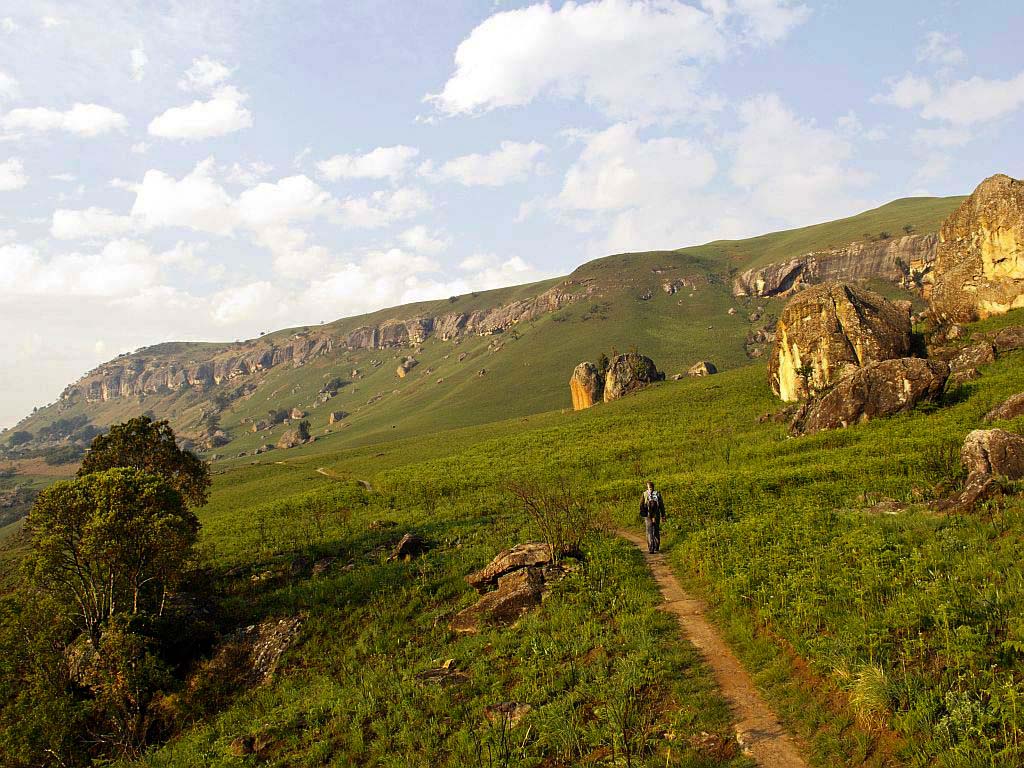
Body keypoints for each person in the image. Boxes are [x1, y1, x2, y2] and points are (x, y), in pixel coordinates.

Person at [640, 481, 666, 554]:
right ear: (653, 487)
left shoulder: (645, 494)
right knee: (656, 530)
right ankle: (657, 547)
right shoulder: (657, 494)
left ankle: (651, 548)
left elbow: (641, 505)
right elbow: (661, 506)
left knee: (649, 531)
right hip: (656, 514)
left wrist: (643, 513)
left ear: (647, 487)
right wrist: (663, 515)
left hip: (648, 515)